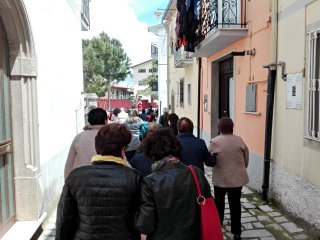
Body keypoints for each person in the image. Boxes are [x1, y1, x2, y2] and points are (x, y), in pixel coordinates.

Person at [56, 124, 142, 240]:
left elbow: (64, 220)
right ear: (123, 150)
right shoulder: (135, 177)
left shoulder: (76, 177)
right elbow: (141, 219)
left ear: (97, 148)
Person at [135, 128, 212, 239]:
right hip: (194, 235)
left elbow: (145, 225)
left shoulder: (150, 182)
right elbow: (207, 203)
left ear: (150, 153)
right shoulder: (196, 172)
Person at [208, 117, 249, 240]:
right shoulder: (239, 140)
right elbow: (246, 157)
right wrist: (242, 167)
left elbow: (208, 158)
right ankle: (236, 232)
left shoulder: (215, 142)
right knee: (235, 203)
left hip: (221, 178)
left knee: (219, 202)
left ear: (219, 128)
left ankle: (218, 223)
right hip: (237, 178)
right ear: (232, 127)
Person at [64, 107, 108, 180]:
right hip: (106, 182)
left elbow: (69, 164)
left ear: (89, 121)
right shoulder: (111, 137)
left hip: (81, 182)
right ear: (105, 121)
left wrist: (67, 185)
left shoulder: (79, 137)